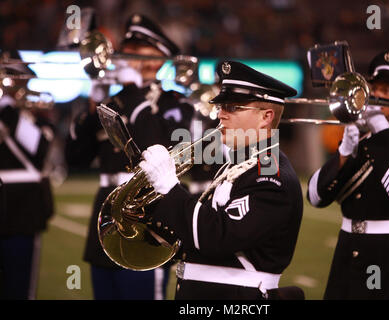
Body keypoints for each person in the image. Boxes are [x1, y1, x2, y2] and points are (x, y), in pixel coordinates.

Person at [138, 60, 304, 299]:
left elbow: (217, 237)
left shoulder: (271, 175)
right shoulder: (239, 166)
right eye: (221, 106)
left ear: (266, 117)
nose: (220, 115)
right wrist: (152, 203)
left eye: (232, 107)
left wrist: (169, 187)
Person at [65, 14, 193, 300]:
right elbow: (75, 158)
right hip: (107, 213)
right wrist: (90, 108)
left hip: (147, 217)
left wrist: (135, 92)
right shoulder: (114, 101)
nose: (127, 57)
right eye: (128, 49)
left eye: (138, 51)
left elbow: (158, 149)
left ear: (159, 59)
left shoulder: (175, 104)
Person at [307, 51, 389, 299]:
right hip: (349, 252)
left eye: (388, 92)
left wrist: (380, 129)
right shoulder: (362, 140)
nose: (377, 96)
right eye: (375, 89)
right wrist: (344, 153)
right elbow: (315, 197)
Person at [0, 51, 55, 299]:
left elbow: (38, 151)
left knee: (19, 285)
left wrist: (10, 108)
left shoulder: (31, 117)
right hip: (14, 203)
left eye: (16, 78)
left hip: (22, 209)